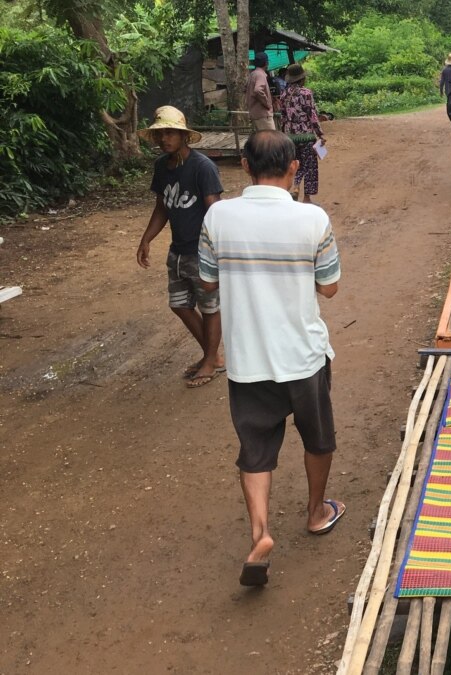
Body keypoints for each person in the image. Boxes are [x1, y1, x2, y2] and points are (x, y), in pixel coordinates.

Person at [197, 130, 344, 588]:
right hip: (303, 355)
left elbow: (206, 283)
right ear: (294, 166)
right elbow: (329, 287)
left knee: (256, 449)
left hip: (247, 359)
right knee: (318, 439)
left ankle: (260, 533)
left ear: (244, 165)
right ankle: (316, 512)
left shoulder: (218, 216)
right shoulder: (311, 218)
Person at [136, 106, 225, 388]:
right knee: (179, 305)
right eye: (160, 134)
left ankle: (210, 360)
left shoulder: (203, 167)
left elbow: (215, 211)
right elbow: (162, 206)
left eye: (170, 133)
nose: (164, 139)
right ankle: (213, 356)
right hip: (178, 251)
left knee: (210, 307)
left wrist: (218, 250)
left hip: (202, 252)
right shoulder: (162, 167)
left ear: (184, 136)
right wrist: (146, 238)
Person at [279, 63, 326, 203]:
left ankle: (296, 187)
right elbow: (312, 115)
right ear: (301, 79)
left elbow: (283, 117)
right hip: (306, 135)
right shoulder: (306, 93)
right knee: (310, 166)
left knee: (296, 163)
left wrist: (283, 134)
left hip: (290, 136)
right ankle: (306, 198)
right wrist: (320, 134)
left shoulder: (283, 95)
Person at [246, 52, 274, 131]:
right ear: (266, 63)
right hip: (263, 114)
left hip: (255, 113)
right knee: (270, 140)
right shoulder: (260, 75)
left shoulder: (253, 74)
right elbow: (258, 90)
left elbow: (246, 89)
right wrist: (267, 103)